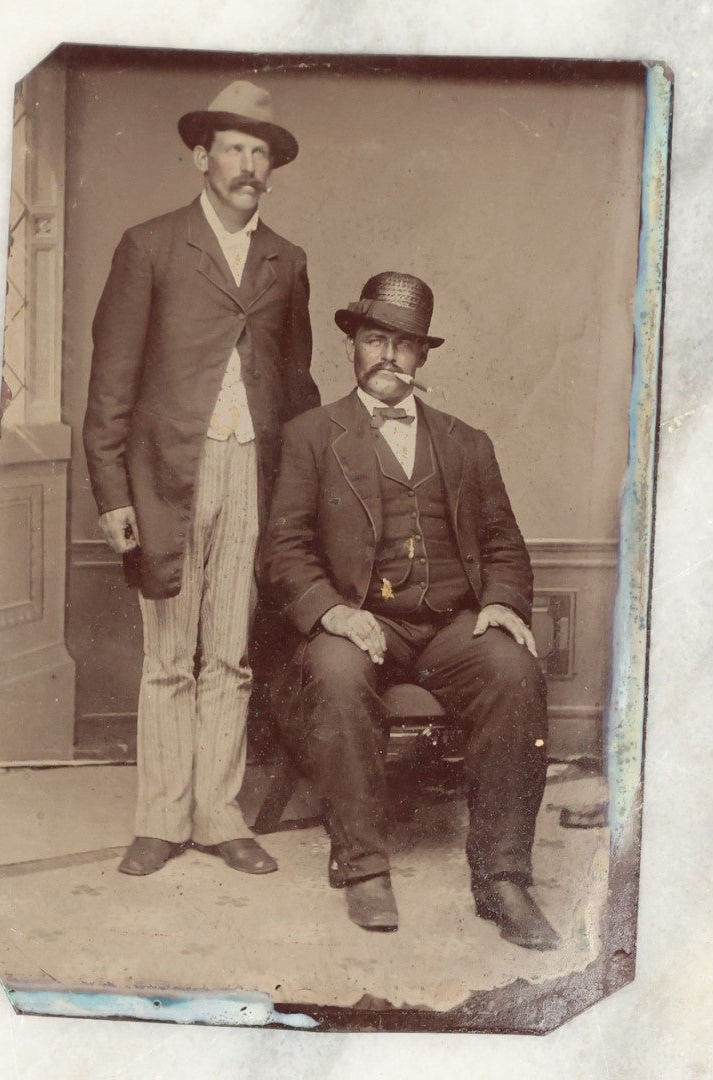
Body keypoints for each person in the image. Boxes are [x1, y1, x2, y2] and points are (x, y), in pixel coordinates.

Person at [262, 271, 559, 949]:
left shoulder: (466, 442)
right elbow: (283, 549)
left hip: (453, 623)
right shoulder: (310, 435)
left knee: (514, 672)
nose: (388, 356)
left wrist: (504, 604)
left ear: (422, 356)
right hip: (362, 620)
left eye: (403, 343)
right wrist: (332, 612)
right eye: (375, 339)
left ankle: (501, 876)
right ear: (352, 349)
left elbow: (502, 542)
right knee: (335, 674)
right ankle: (364, 865)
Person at [83, 81, 319, 878]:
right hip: (164, 476)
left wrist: (301, 491)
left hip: (254, 470)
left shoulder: (288, 261)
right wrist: (113, 492)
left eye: (262, 152)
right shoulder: (149, 245)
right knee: (167, 657)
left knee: (232, 655)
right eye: (236, 148)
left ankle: (218, 817)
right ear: (201, 156)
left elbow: (298, 387)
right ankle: (160, 818)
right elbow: (110, 384)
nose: (250, 164)